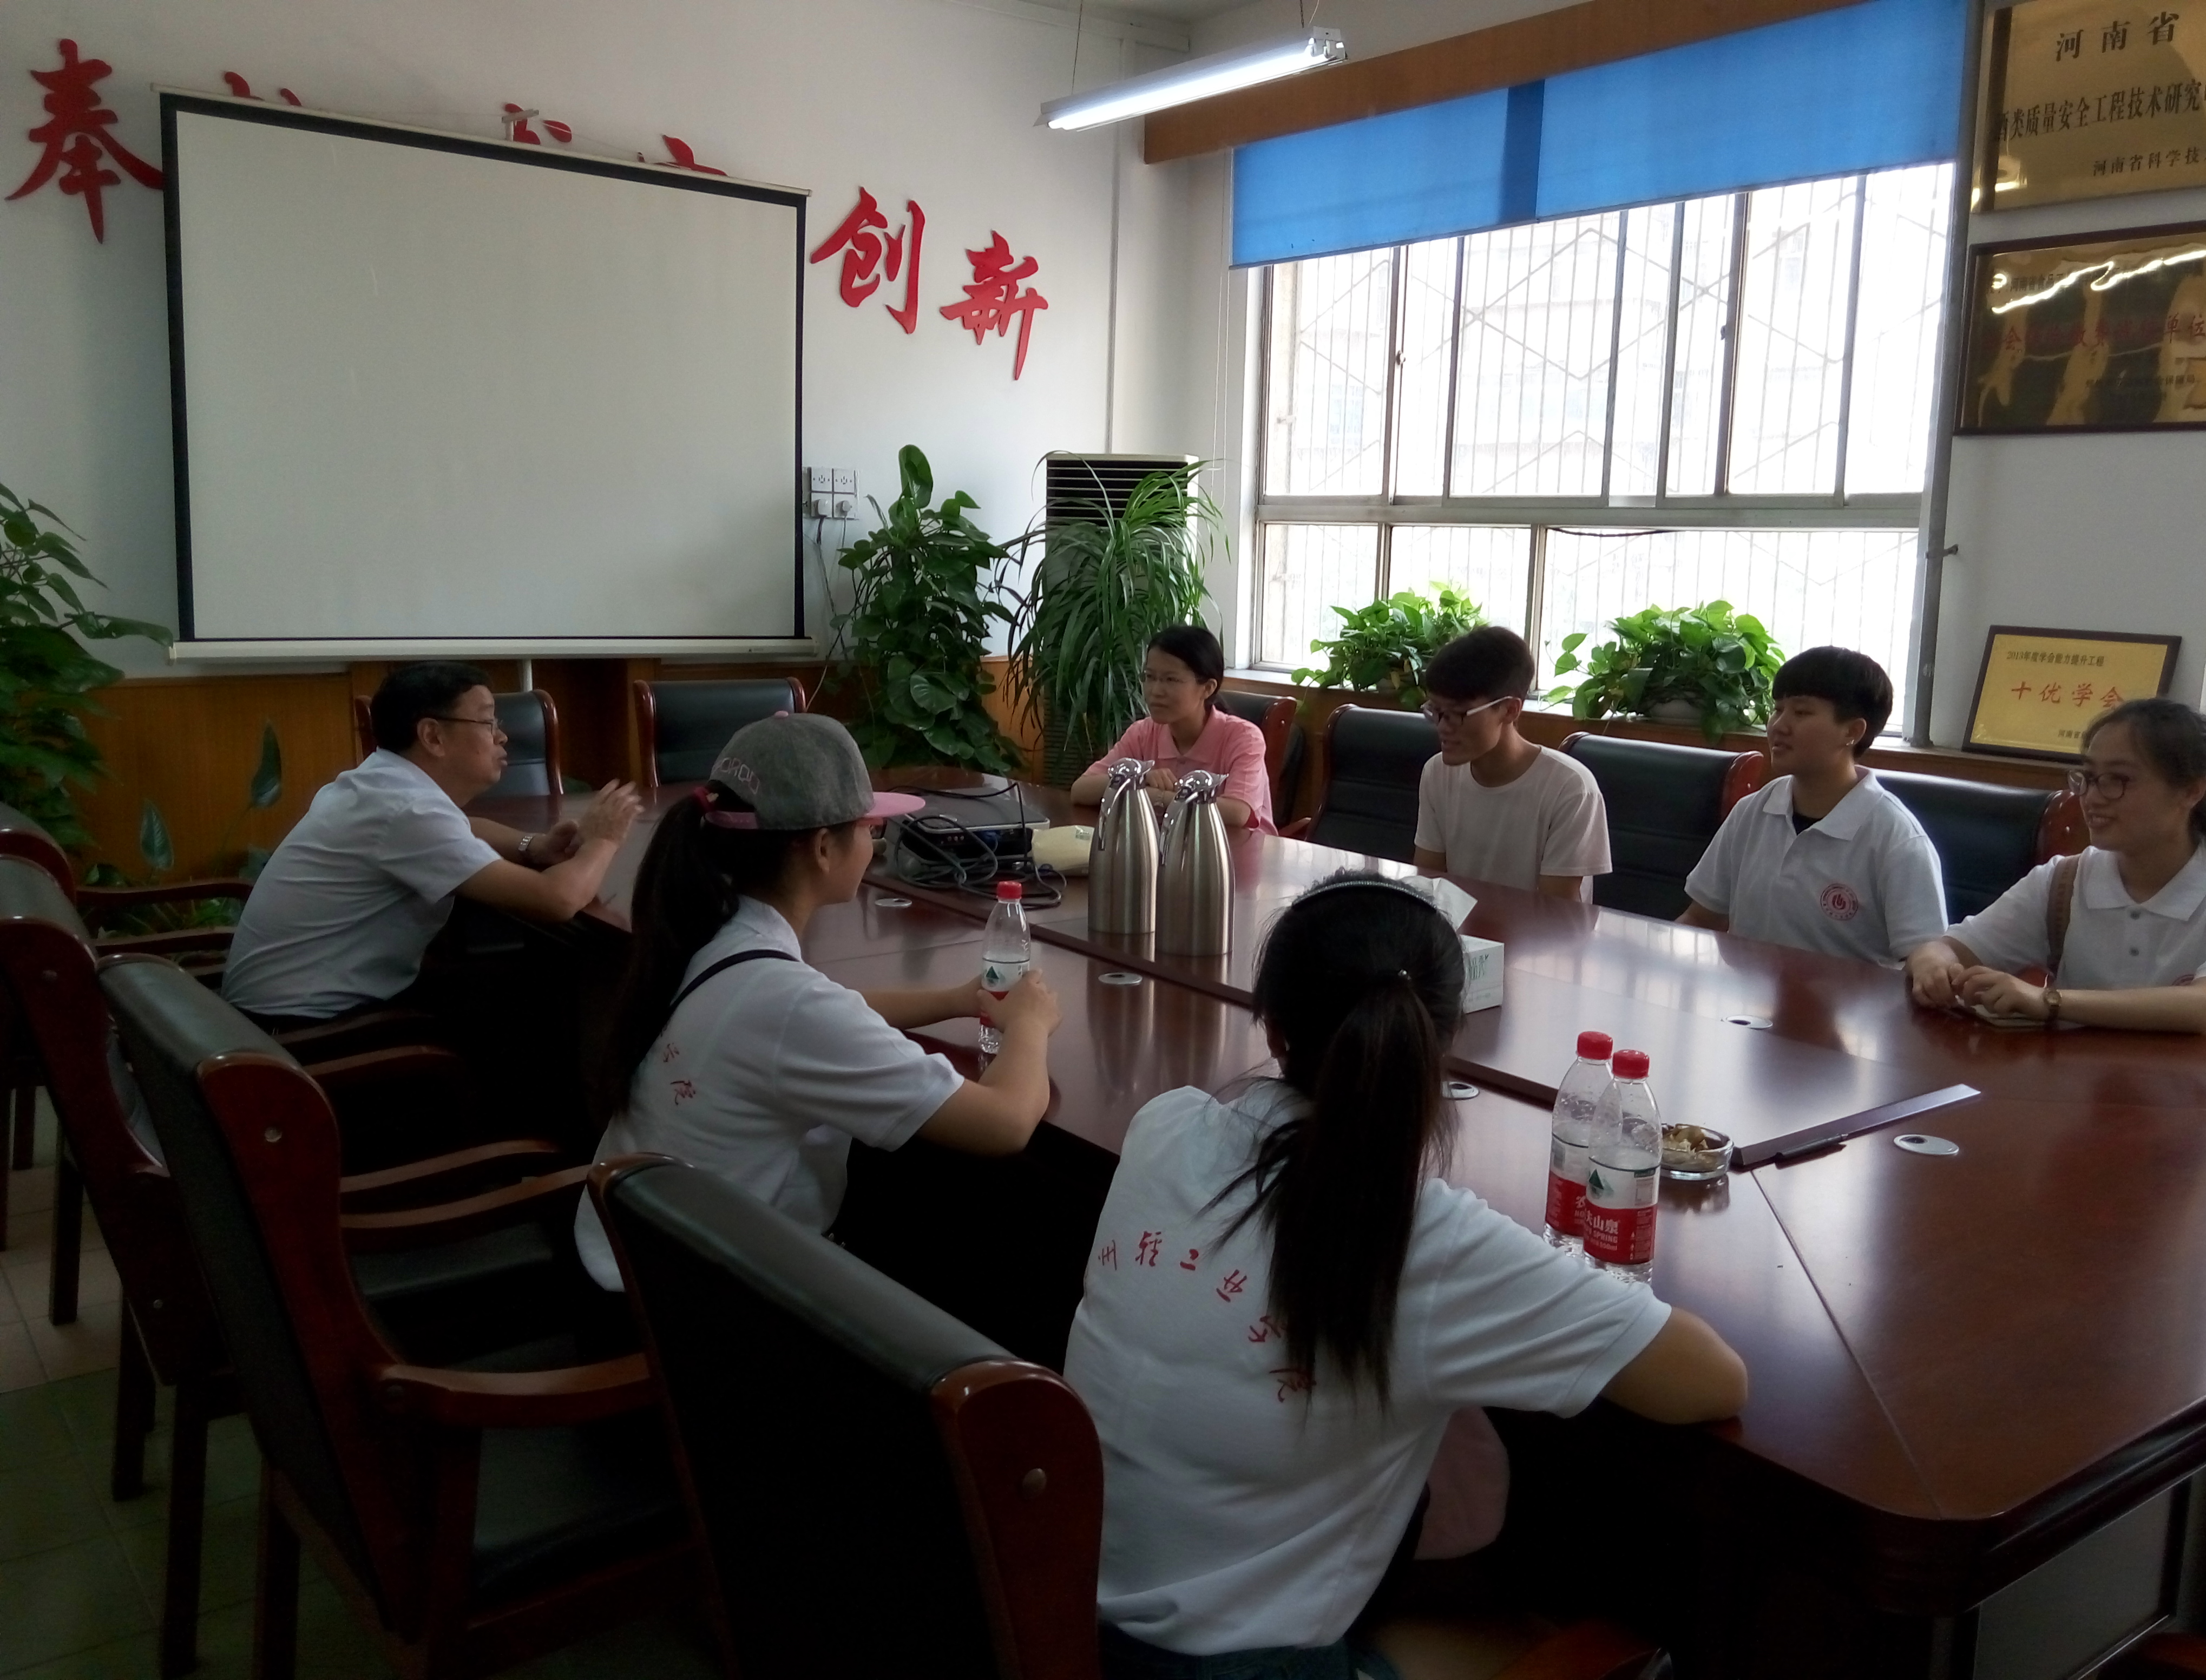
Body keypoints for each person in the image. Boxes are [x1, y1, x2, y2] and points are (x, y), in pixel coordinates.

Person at [1063, 873, 1747, 1680]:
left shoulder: (1165, 1128)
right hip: (1245, 1666)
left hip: (1061, 1617)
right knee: (1592, 1632)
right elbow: (1711, 1379)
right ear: (1440, 1040)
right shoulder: (1424, 1237)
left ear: (1273, 1027)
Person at [574, 712, 1064, 1289]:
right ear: (824, 847)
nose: (874, 842)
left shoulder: (712, 930)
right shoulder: (786, 1003)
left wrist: (958, 999)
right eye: (867, 827)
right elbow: (1005, 1123)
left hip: (633, 1258)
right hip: (696, 1303)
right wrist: (1030, 1024)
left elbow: (827, 1012)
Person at [224, 661, 642, 1026]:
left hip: (275, 1008)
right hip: (308, 1030)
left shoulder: (383, 783)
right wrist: (605, 837)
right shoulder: (407, 809)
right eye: (488, 722)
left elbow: (464, 826)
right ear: (433, 736)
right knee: (546, 1001)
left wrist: (533, 845)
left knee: (526, 983)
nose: (502, 737)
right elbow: (557, 900)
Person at [1906, 697, 2206, 1037]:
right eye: (2090, 778)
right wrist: (1933, 965)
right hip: (2075, 1081)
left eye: (2118, 780)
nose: (2092, 798)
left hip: (2197, 1087)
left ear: (2191, 791)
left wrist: (2049, 1001)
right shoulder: (2063, 880)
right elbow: (1948, 948)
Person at [1680, 646, 1947, 965]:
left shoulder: (1897, 838)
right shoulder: (1751, 813)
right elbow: (1700, 919)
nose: (1779, 726)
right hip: (1747, 996)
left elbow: (1925, 959)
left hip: (1848, 999)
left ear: (1852, 731)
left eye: (1802, 713)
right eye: (1778, 709)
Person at [1412, 627, 1611, 899]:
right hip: (1453, 925)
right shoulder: (1437, 772)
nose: (1442, 727)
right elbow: (1428, 884)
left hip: (1537, 928)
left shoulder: (1571, 789)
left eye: (1458, 714)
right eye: (1435, 711)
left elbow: (1556, 911)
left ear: (1510, 710)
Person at [1069, 625, 1275, 833]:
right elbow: (1081, 790)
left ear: (1208, 688)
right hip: (1167, 844)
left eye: (1171, 680)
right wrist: (1139, 779)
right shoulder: (1143, 733)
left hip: (1239, 849)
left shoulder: (1243, 737)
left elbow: (1237, 813)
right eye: (1150, 677)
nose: (1156, 691)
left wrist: (1154, 796)